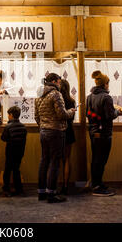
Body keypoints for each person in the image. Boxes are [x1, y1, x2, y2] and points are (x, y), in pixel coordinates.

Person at [35, 73, 75, 203]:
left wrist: (43, 126)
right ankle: (51, 193)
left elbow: (36, 116)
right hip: (56, 132)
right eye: (58, 81)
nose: (59, 84)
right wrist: (72, 112)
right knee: (55, 162)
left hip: (43, 131)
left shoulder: (39, 95)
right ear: (54, 81)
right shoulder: (56, 94)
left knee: (44, 161)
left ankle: (41, 192)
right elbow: (61, 114)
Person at [86, 70, 122, 196]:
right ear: (105, 84)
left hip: (93, 131)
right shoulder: (106, 97)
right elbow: (109, 115)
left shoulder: (89, 97)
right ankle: (98, 187)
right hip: (104, 132)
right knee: (102, 160)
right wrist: (119, 112)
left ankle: (96, 183)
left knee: (95, 159)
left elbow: (87, 113)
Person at [1, 106, 27, 197]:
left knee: (7, 170)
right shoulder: (23, 127)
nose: (8, 116)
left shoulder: (8, 126)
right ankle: (18, 189)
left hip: (10, 152)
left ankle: (6, 189)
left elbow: (3, 138)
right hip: (20, 152)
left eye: (8, 114)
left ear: (11, 115)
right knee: (16, 169)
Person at [59, 78, 76, 195]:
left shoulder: (56, 100)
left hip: (58, 130)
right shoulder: (71, 101)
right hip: (69, 130)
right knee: (67, 159)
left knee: (55, 160)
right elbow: (72, 118)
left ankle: (53, 186)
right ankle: (65, 185)